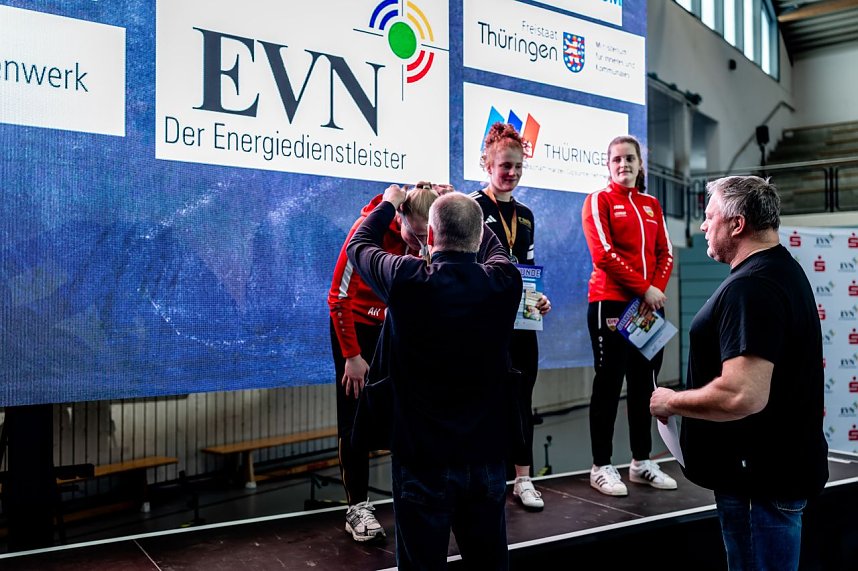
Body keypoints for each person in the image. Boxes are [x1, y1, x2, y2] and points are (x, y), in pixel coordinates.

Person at [650, 175, 829, 570]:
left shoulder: (753, 287)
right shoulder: (781, 272)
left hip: (758, 488)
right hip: (770, 481)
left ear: (737, 224)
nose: (702, 226)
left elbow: (742, 395)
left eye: (709, 216)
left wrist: (672, 401)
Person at [347, 187, 522, 569]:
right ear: (478, 236)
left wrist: (389, 203)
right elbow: (495, 252)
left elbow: (358, 244)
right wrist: (465, 202)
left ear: (429, 236)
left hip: (421, 461)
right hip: (486, 458)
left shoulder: (408, 279)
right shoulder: (505, 282)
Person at [327, 183, 441, 542]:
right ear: (400, 216)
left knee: (405, 414)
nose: (419, 244)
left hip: (393, 326)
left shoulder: (425, 236)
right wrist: (352, 355)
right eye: (414, 234)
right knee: (355, 418)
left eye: (427, 237)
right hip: (356, 330)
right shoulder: (368, 227)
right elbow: (338, 295)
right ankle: (356, 507)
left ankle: (410, 496)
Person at [581, 134, 676, 496]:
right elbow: (603, 255)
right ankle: (601, 466)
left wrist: (654, 291)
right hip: (611, 302)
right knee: (608, 385)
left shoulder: (652, 204)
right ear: (608, 165)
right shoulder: (598, 200)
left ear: (640, 164)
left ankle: (641, 462)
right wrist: (644, 289)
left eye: (630, 159)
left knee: (643, 386)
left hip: (647, 305)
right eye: (617, 159)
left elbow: (665, 253)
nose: (624, 165)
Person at [470, 122, 551, 511]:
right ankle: (482, 480)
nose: (512, 173)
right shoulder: (470, 208)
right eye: (505, 166)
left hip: (521, 324)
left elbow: (528, 268)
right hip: (484, 326)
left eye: (518, 166)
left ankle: (523, 479)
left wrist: (537, 299)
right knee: (483, 400)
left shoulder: (527, 214)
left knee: (523, 400)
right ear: (486, 163)